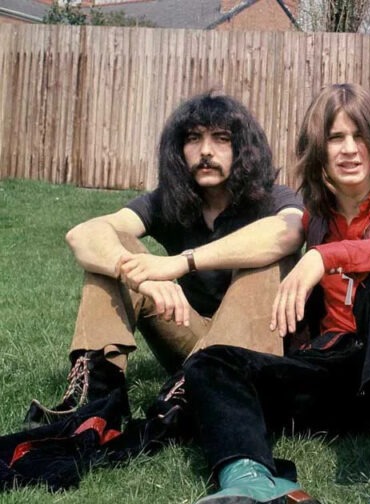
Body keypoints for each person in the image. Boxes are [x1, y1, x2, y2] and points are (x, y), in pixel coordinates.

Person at [181, 83, 370, 504]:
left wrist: (326, 256)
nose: (349, 150)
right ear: (318, 149)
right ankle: (252, 480)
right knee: (210, 364)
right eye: (335, 138)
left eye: (359, 136)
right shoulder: (314, 219)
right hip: (341, 373)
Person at [25, 91, 304, 429]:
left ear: (242, 148)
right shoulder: (171, 202)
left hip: (251, 349)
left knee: (269, 261)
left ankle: (196, 393)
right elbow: (83, 234)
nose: (205, 151)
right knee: (117, 245)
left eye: (221, 139)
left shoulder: (274, 197)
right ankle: (96, 398)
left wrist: (182, 262)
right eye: (193, 138)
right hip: (191, 332)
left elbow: (289, 232)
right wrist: (138, 276)